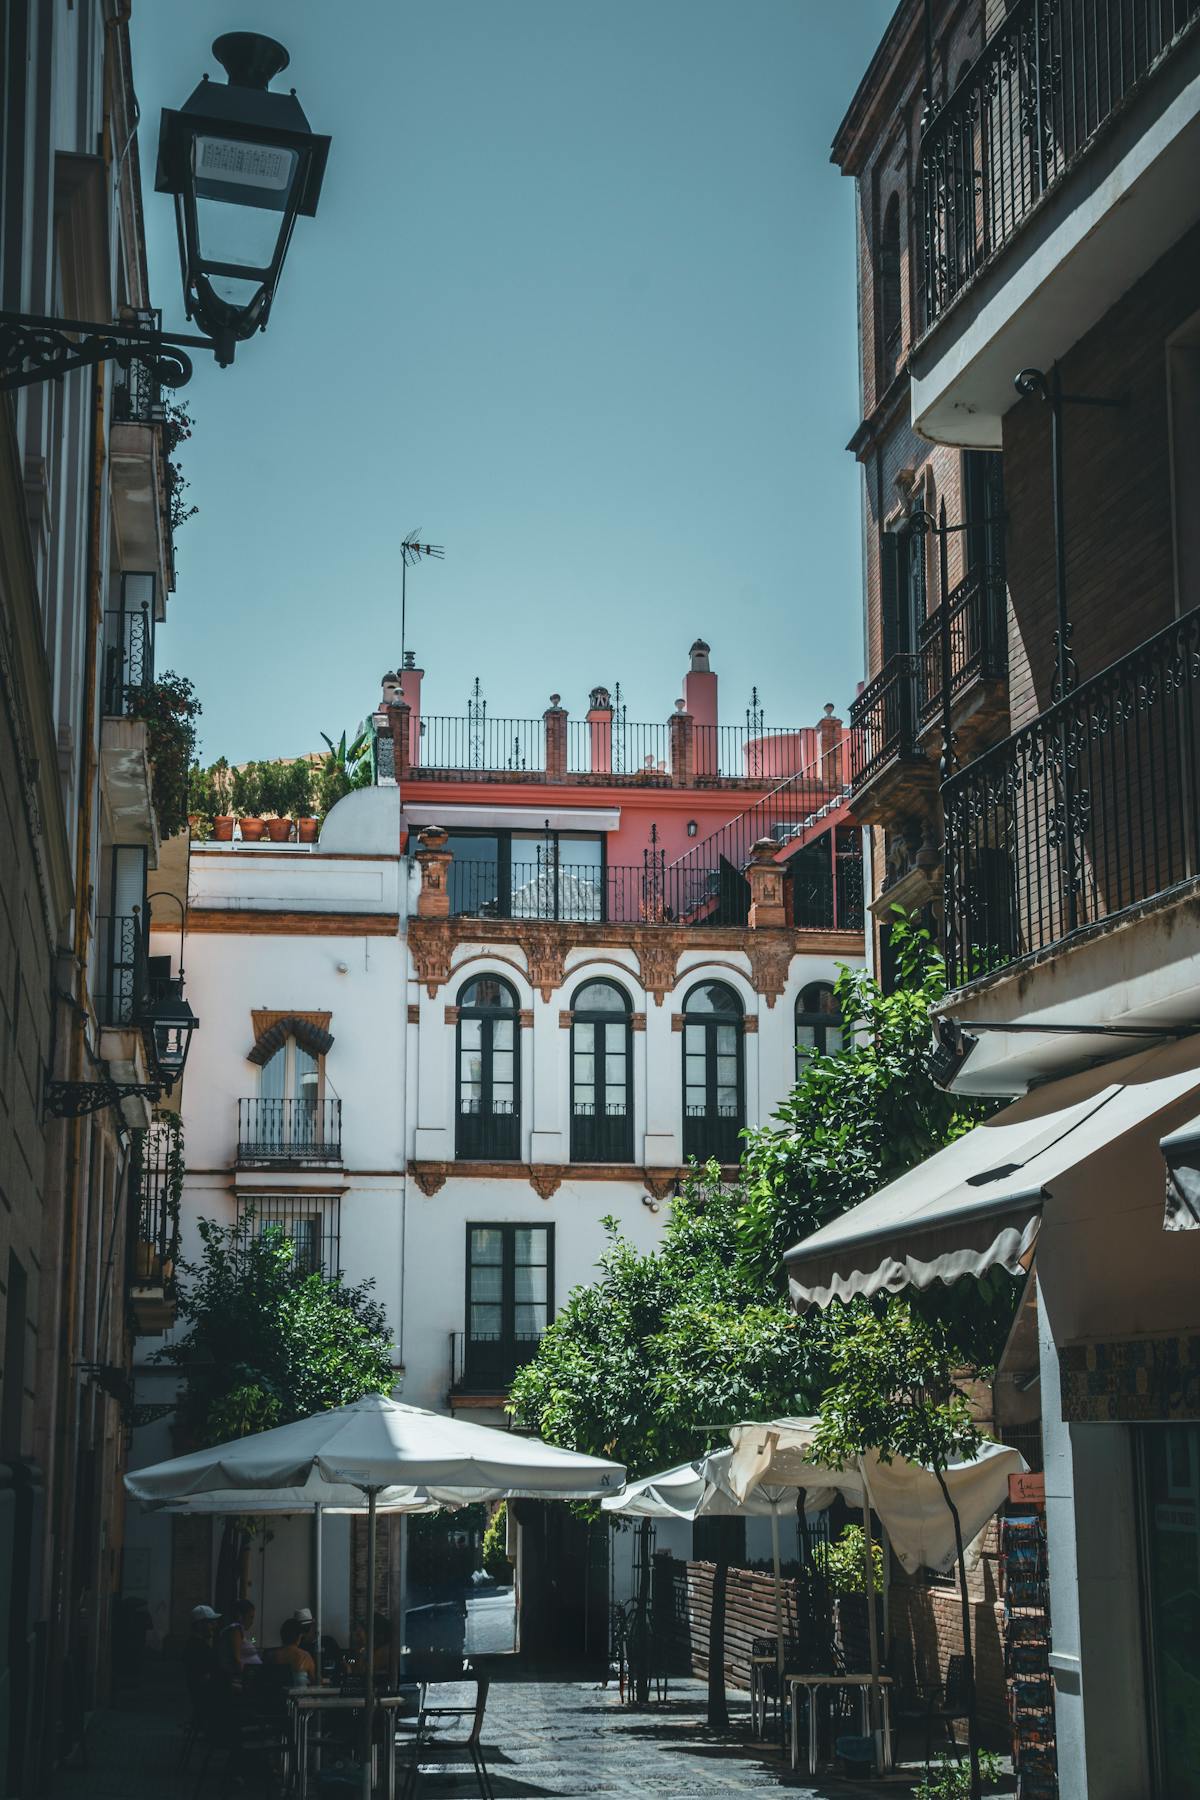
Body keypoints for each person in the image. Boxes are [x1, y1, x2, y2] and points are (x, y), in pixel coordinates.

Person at [215, 1599, 258, 1691]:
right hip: (236, 1683)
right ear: (240, 1616)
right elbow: (236, 1659)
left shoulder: (235, 1630)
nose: (252, 1621)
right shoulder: (235, 1630)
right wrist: (245, 1679)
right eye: (250, 1617)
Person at [269, 1617, 317, 1686]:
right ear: (299, 1636)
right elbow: (314, 1682)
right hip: (299, 1695)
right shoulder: (305, 1657)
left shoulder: (270, 1655)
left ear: (282, 1635)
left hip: (276, 1695)